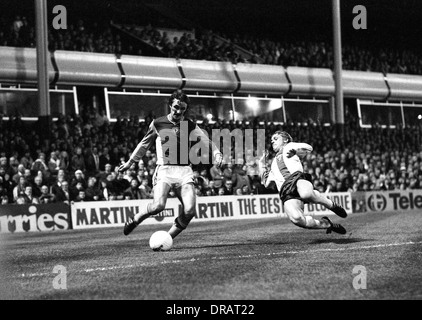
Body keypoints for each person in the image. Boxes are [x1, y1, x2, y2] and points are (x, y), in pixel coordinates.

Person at [118, 89, 223, 240]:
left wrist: (217, 153)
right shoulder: (158, 123)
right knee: (158, 206)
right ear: (170, 106)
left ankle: (167, 238)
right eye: (176, 107)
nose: (178, 111)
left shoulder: (190, 125)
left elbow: (206, 141)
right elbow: (144, 144)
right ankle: (136, 219)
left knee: (190, 211)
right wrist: (130, 162)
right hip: (164, 171)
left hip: (184, 172)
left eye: (182, 109)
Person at [258, 131, 347, 234]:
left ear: (285, 140)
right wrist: (261, 163)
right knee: (297, 219)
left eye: (276, 138)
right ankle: (327, 224)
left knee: (306, 194)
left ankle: (331, 205)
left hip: (297, 179)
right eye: (271, 140)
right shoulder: (273, 164)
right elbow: (266, 183)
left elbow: (308, 147)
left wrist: (296, 151)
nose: (272, 141)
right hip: (286, 192)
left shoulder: (289, 147)